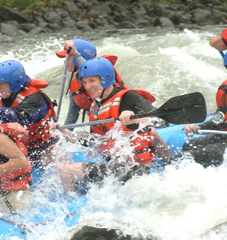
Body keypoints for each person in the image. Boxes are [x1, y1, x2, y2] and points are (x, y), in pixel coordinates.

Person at [58, 57, 173, 190]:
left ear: (105, 79)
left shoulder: (128, 97)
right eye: (84, 82)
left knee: (66, 170)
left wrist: (136, 119)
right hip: (116, 167)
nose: (87, 87)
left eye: (92, 81)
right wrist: (65, 132)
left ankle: (72, 206)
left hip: (136, 170)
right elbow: (95, 141)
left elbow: (161, 121)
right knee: (64, 163)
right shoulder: (96, 107)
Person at [0, 59, 58, 166]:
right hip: (19, 148)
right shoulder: (0, 95)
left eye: (2, 83)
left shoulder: (35, 98)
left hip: (43, 147)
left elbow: (16, 118)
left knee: (54, 158)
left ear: (14, 83)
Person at [55, 39, 130, 127]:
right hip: (101, 128)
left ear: (77, 57)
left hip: (124, 120)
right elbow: (71, 120)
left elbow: (90, 69)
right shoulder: (74, 84)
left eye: (68, 57)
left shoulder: (103, 72)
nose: (65, 62)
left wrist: (75, 52)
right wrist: (61, 133)